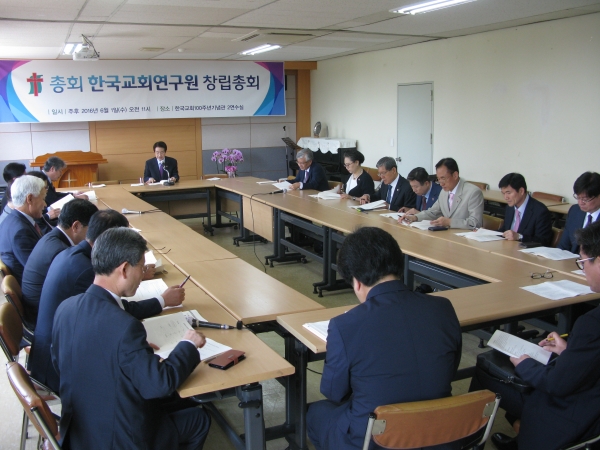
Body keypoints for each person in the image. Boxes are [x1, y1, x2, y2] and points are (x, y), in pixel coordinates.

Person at [52, 227, 210, 449]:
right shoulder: (124, 326)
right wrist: (188, 344)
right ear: (124, 269)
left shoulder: (65, 308)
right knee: (198, 418)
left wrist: (127, 355)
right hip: (118, 439)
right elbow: (159, 384)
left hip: (79, 430)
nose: (142, 274)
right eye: (141, 267)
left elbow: (59, 363)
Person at [306, 227, 462, 450]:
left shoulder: (344, 325)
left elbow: (334, 393)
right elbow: (450, 368)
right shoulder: (443, 308)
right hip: (439, 434)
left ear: (356, 282)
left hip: (374, 441)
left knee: (316, 413)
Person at [471, 220, 600, 450]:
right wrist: (569, 351)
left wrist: (525, 363)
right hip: (590, 400)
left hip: (575, 415)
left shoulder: (591, 323)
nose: (582, 269)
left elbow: (556, 384)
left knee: (485, 369)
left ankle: (471, 440)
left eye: (582, 262)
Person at [30, 209, 183, 392]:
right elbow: (116, 312)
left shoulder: (75, 254)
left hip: (62, 352)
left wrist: (131, 349)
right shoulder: (84, 269)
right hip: (62, 372)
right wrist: (162, 301)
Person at [21, 199, 98, 329]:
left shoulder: (52, 237)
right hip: (43, 319)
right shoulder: (61, 251)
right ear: (76, 226)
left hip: (37, 309)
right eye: (91, 229)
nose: (93, 235)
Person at [403, 158, 484, 229]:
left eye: (443, 178)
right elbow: (433, 212)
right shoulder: (444, 191)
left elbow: (475, 223)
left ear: (455, 175)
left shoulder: (473, 192)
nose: (441, 183)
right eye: (438, 179)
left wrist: (449, 222)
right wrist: (415, 217)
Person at [0, 175, 46, 284]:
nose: (45, 204)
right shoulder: (21, 232)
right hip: (35, 292)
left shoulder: (13, 218)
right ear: (29, 199)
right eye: (43, 198)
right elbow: (38, 271)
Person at [496, 173, 552, 246]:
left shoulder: (540, 211)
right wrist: (485, 233)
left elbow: (543, 241)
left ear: (521, 191)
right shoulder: (509, 208)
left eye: (508, 193)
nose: (505, 197)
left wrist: (519, 237)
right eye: (503, 193)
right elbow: (505, 230)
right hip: (508, 248)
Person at [558, 172, 600, 253]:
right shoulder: (575, 211)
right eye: (578, 197)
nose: (580, 202)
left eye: (585, 199)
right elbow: (563, 246)